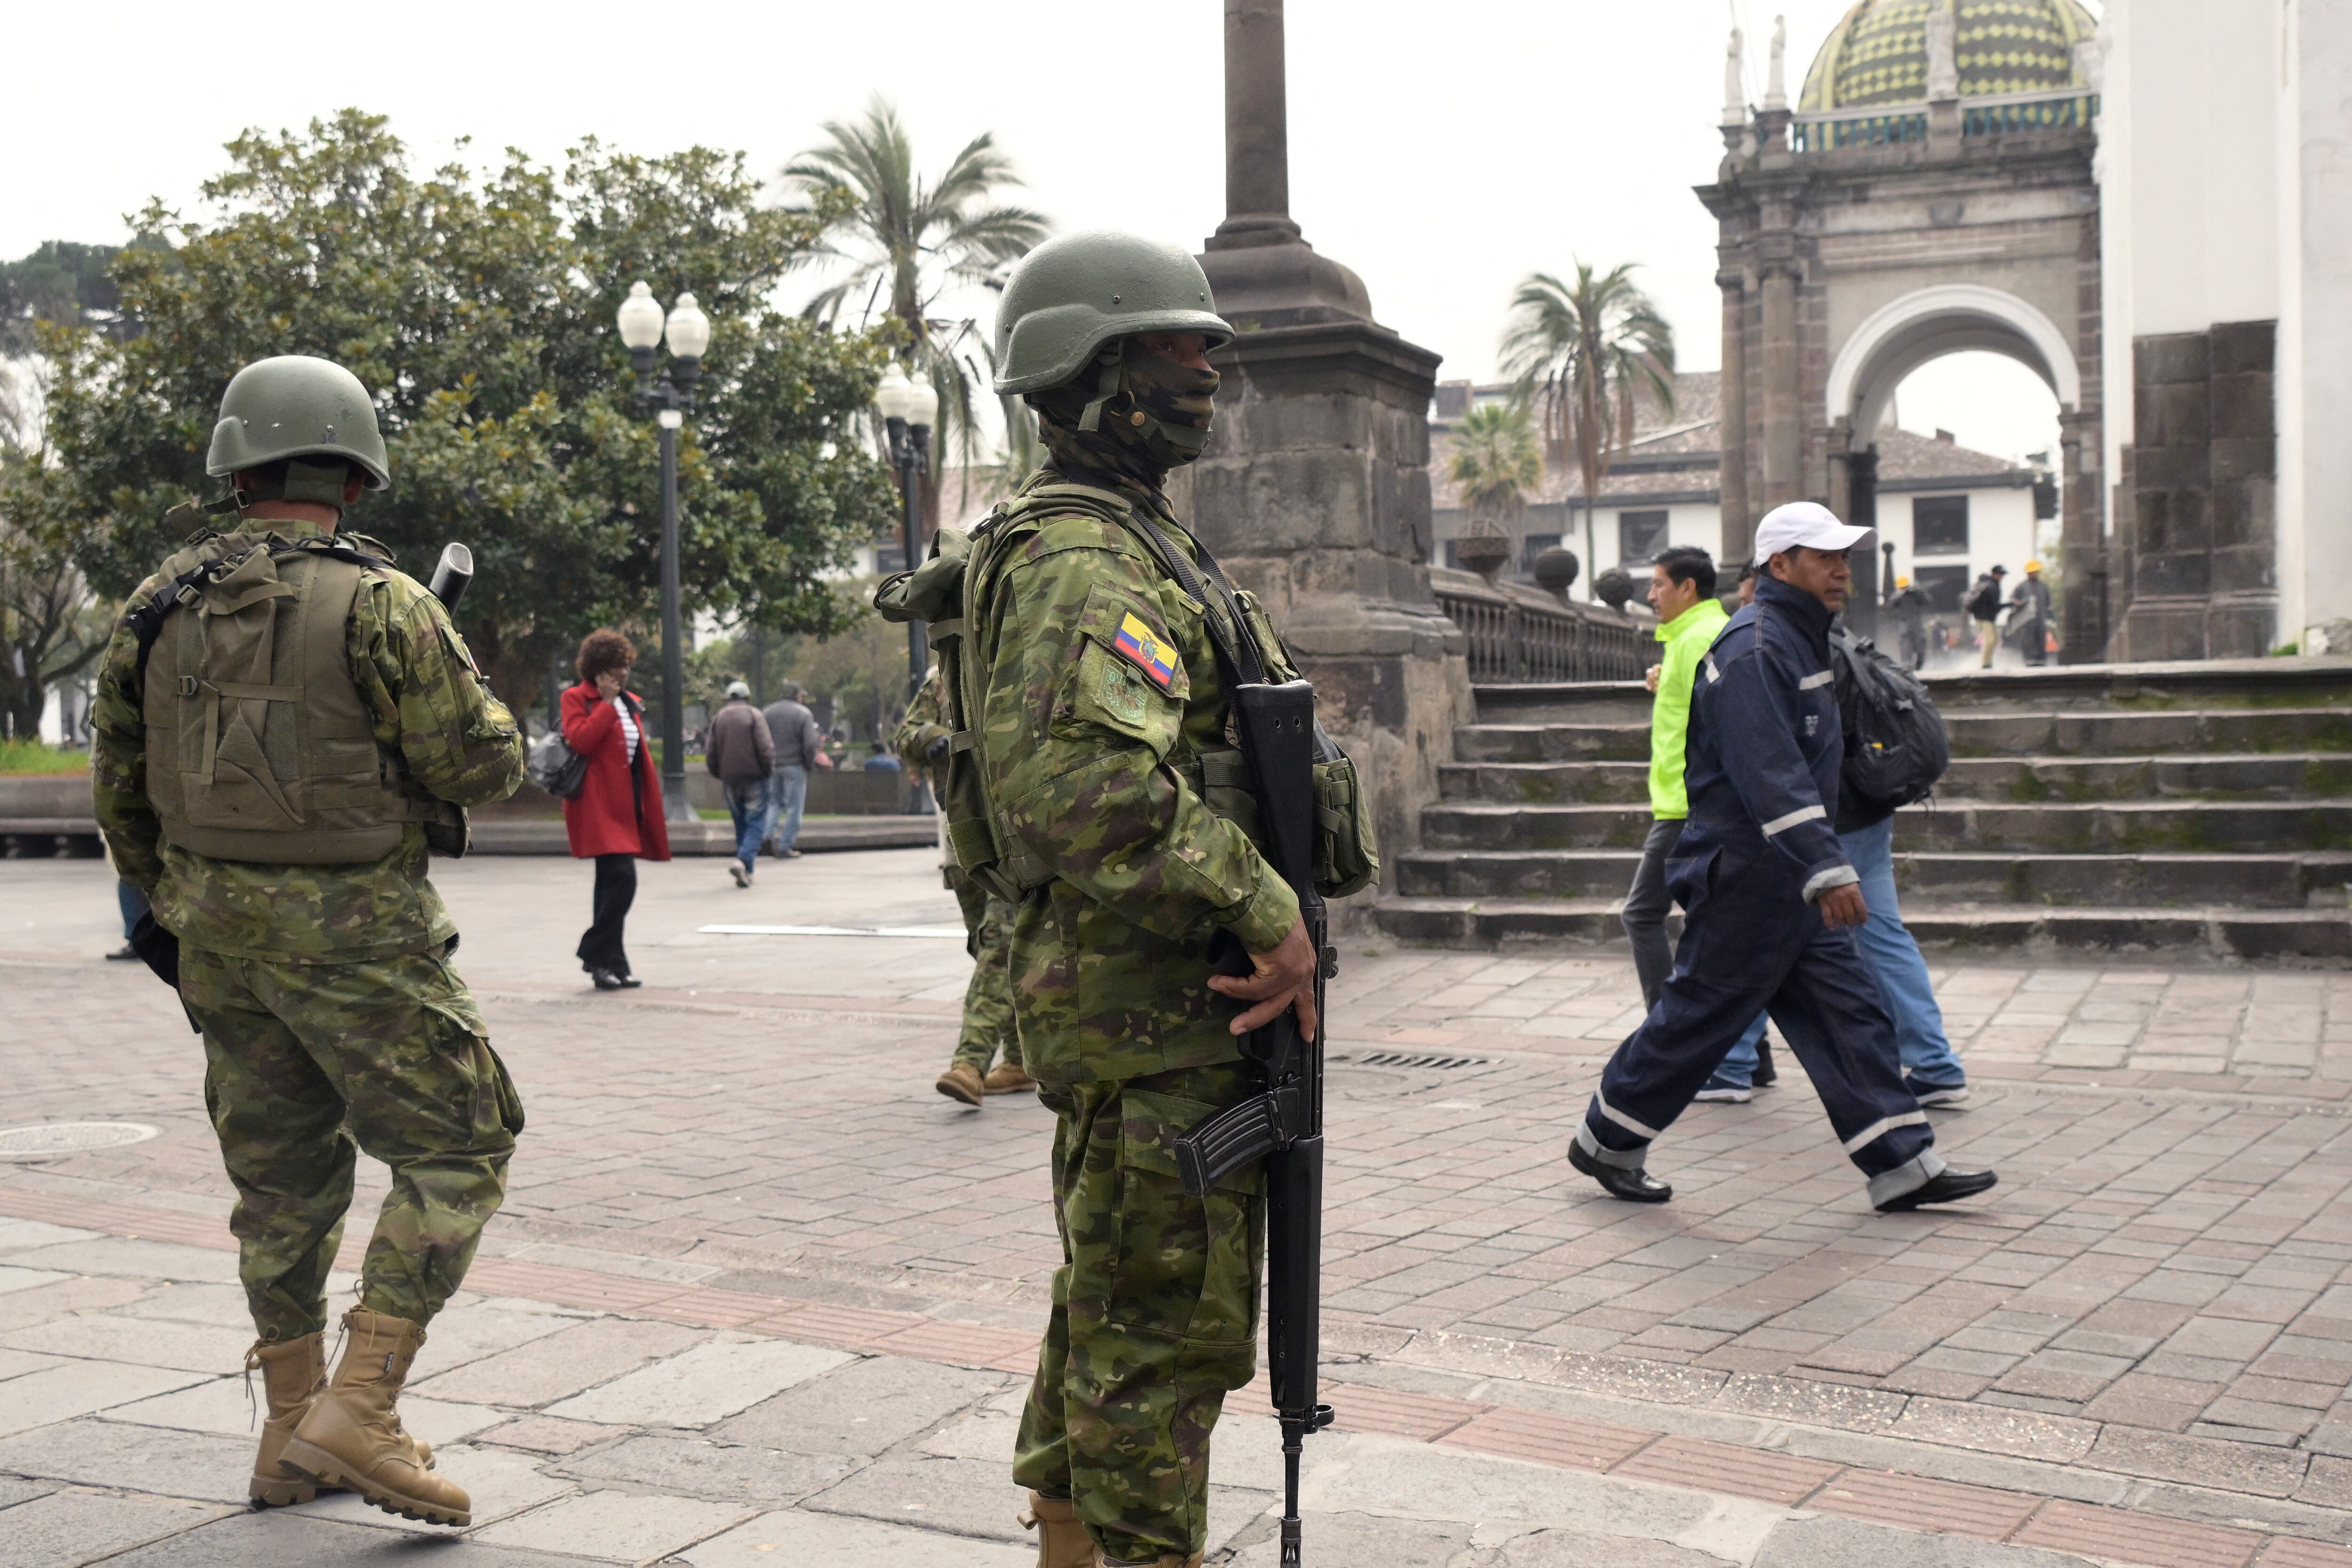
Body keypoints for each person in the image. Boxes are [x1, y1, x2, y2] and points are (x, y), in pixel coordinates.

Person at [88, 354, 525, 1528]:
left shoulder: (155, 605)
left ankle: (290, 1430)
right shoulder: (386, 601)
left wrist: (167, 918)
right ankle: (363, 1406)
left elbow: (119, 792)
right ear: (355, 473)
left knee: (279, 1183)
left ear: (238, 465)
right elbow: (480, 764)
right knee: (464, 1141)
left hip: (217, 939)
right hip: (360, 937)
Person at [972, 231, 1329, 1568]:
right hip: (1160, 1004)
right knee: (1158, 1333)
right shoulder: (1084, 560)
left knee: (1117, 1299)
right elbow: (1069, 779)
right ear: (1094, 368)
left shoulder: (1133, 537)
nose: (1211, 365)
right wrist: (1266, 907)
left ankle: (1079, 1538)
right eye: (1181, 346)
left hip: (1162, 1007)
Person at [1568, 501, 1997, 1215]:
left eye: (1844, 557)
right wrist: (1825, 868)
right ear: (1779, 565)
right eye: (1823, 556)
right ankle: (1607, 1137)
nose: (1840, 569)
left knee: (1849, 1012)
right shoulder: (1757, 647)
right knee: (1699, 1018)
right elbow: (1770, 771)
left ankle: (1905, 1163)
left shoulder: (1795, 639)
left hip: (1781, 877)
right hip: (1746, 875)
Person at [1623, 547, 1772, 1105]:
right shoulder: (1704, 633)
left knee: (1641, 915)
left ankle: (1672, 1043)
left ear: (1687, 587)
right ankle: (1751, 1058)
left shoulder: (1696, 638)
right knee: (1720, 927)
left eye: (1659, 584)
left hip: (1686, 805)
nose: (1650, 595)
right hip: (1689, 801)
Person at [895, 667, 1031, 1106]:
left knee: (999, 942)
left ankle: (970, 1063)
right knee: (987, 946)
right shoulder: (944, 675)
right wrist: (935, 737)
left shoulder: (1024, 654)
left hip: (1017, 833)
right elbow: (906, 734)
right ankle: (1019, 1059)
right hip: (963, 838)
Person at [562, 630, 669, 989]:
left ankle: (612, 964)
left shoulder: (630, 702)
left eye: (625, 666)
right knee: (623, 881)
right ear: (597, 669)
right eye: (615, 667)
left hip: (627, 806)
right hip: (597, 806)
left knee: (608, 887)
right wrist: (606, 705)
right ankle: (595, 952)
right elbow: (581, 740)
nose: (622, 673)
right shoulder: (577, 698)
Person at [704, 679, 774, 888]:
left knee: (741, 824)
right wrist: (767, 771)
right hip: (755, 778)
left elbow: (711, 752)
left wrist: (720, 773)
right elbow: (766, 748)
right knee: (757, 823)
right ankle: (743, 860)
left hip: (730, 779)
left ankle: (747, 871)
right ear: (747, 697)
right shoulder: (754, 715)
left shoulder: (719, 718)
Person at [760, 681, 832, 859]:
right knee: (794, 807)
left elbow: (760, 739)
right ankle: (785, 846)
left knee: (774, 804)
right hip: (794, 765)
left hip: (773, 765)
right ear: (797, 696)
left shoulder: (767, 712)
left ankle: (766, 837)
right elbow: (810, 744)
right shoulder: (803, 713)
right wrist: (809, 764)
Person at [2006, 559, 2054, 667]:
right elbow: (2013, 598)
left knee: (2041, 638)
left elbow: (2049, 603)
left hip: (2041, 618)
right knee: (2028, 639)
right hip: (2027, 620)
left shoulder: (2044, 586)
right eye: (2032, 572)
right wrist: (2017, 602)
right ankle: (2029, 659)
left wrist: (2051, 618)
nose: (2034, 574)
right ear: (2028, 574)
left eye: (2036, 572)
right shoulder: (2022, 586)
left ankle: (2041, 660)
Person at [1967, 565, 2008, 668]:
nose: (2002, 577)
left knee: (1994, 640)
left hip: (1987, 618)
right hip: (1984, 618)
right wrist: (2011, 604)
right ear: (1995, 574)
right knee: (1990, 640)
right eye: (2001, 574)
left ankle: (1988, 662)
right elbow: (1995, 606)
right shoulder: (1991, 587)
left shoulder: (1992, 585)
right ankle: (1985, 664)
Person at [1890, 574, 1930, 670]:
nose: (1903, 589)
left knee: (1920, 646)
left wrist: (1919, 590)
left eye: (1904, 588)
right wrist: (1900, 594)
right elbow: (1892, 602)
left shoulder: (1916, 595)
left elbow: (1927, 600)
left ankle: (1919, 665)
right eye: (1901, 588)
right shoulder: (1899, 597)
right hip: (1905, 624)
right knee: (1905, 646)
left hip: (1916, 624)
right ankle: (1907, 667)